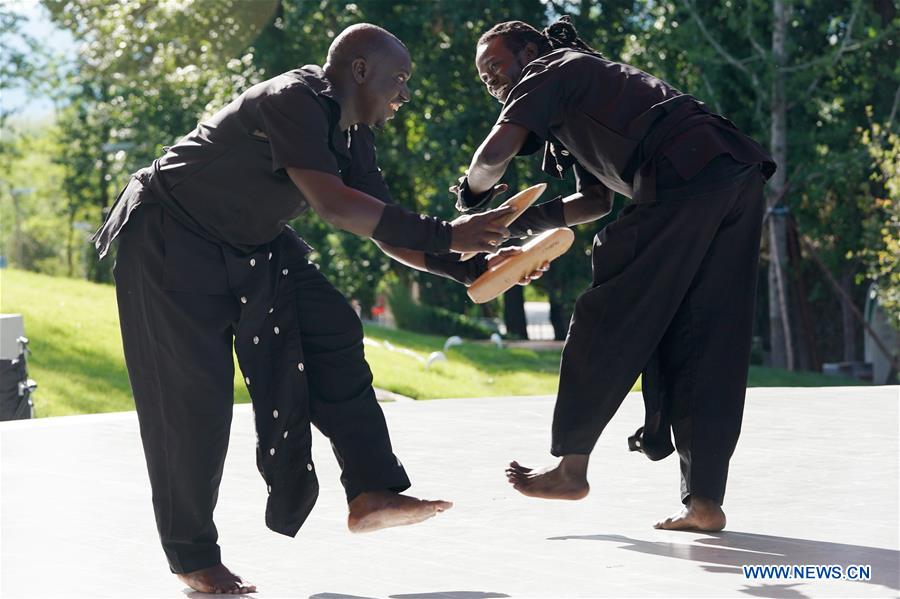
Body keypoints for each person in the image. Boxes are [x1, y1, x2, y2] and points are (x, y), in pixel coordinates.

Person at [94, 23, 516, 594]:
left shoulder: (354, 132)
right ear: (359, 70)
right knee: (192, 406)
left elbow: (383, 225)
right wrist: (452, 233)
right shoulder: (292, 99)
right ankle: (193, 557)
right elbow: (336, 206)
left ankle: (371, 490)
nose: (404, 95)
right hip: (170, 240)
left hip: (253, 246)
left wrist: (469, 265)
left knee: (332, 327)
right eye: (399, 80)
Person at [454, 16, 775, 532]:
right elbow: (594, 201)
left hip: (684, 172)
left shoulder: (549, 69)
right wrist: (516, 224)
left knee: (608, 313)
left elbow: (491, 157)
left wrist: (470, 198)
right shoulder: (579, 90)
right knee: (706, 334)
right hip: (732, 171)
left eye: (495, 65)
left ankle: (570, 468)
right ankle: (705, 504)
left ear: (529, 50)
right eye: (482, 76)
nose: (491, 80)